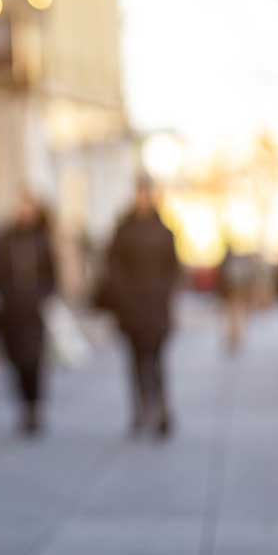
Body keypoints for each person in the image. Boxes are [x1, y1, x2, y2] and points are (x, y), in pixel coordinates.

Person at [102, 179, 181, 439]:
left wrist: (163, 294)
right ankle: (140, 410)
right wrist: (123, 296)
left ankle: (161, 410)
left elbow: (174, 270)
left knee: (157, 361)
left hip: (156, 308)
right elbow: (112, 267)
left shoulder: (164, 231)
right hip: (131, 308)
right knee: (135, 362)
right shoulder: (124, 230)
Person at [0, 193, 57, 437]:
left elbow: (52, 276)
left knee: (34, 360)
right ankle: (23, 406)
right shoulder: (6, 239)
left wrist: (41, 296)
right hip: (12, 311)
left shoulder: (42, 240)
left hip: (34, 311)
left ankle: (35, 406)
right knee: (17, 359)